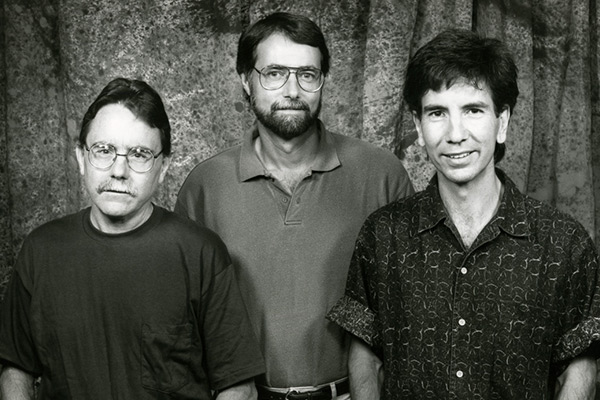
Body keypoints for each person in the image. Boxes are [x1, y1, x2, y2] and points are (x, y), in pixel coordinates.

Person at [327, 28, 600, 399]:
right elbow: (366, 355)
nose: (455, 134)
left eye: (473, 110)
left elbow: (579, 366)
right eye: (437, 113)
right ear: (418, 127)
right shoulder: (384, 235)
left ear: (502, 122)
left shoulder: (563, 242)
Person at [175, 12, 413, 400]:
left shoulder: (381, 174)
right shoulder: (204, 187)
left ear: (323, 82)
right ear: (245, 81)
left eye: (307, 74)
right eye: (274, 73)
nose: (292, 89)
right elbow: (186, 324)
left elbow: (410, 310)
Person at [0, 78, 265, 399]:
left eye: (139, 154)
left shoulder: (201, 254)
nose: (119, 170)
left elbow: (238, 387)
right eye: (104, 150)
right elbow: (17, 370)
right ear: (81, 158)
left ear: (163, 166)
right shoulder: (41, 250)